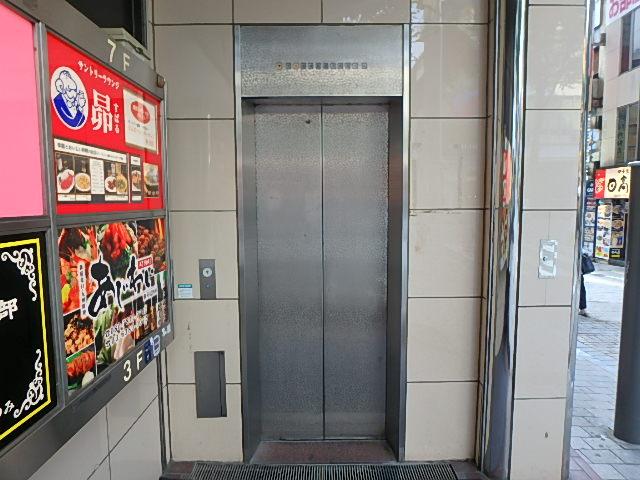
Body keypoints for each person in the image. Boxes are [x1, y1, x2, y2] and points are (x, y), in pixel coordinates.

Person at [580, 251, 595, 316]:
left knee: (581, 289)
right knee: (581, 289)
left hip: (578, 270)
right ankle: (582, 309)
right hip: (577, 271)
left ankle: (582, 309)